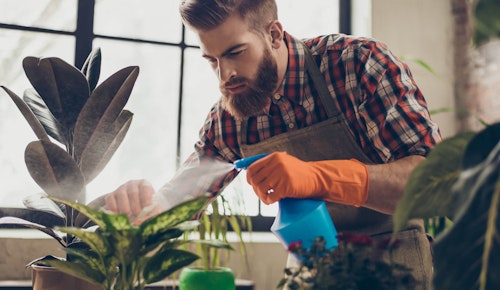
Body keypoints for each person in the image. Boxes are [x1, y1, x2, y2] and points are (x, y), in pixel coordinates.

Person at [105, 0, 441, 288]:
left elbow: (432, 185)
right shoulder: (230, 117)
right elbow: (184, 197)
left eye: (236, 53)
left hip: (395, 267)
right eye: (212, 60)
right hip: (310, 274)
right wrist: (147, 210)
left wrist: (319, 178)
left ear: (274, 34)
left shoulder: (358, 65)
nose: (224, 76)